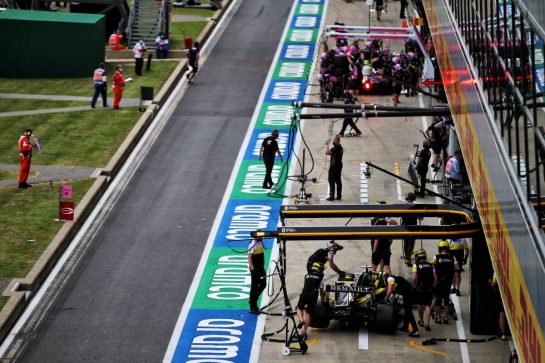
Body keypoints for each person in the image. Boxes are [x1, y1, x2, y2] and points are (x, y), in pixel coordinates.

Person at [431, 240, 458, 324]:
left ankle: (438, 318)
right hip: (448, 282)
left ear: (439, 248)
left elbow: (431, 268)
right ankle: (446, 318)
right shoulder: (452, 257)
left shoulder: (436, 257)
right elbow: (457, 268)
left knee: (438, 300)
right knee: (446, 299)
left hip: (438, 282)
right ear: (448, 248)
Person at [296, 265, 324, 340]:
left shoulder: (306, 275)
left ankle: (301, 319)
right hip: (313, 295)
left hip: (305, 293)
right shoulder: (321, 278)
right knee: (308, 313)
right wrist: (323, 299)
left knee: (299, 308)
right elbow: (321, 290)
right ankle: (304, 332)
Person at [412, 249, 436, 331]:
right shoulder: (431, 265)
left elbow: (414, 278)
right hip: (429, 288)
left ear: (418, 257)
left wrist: (413, 285)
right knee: (428, 305)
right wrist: (434, 286)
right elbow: (435, 277)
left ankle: (421, 321)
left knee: (420, 304)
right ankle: (427, 323)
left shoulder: (416, 265)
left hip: (420, 288)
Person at [248, 235, 266, 314]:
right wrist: (252, 269)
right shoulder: (252, 244)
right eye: (260, 236)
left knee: (263, 284)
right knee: (254, 287)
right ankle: (253, 307)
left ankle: (253, 299)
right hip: (255, 269)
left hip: (261, 268)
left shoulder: (260, 242)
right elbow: (249, 257)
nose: (262, 237)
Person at [489, 272, 508, 340]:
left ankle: (503, 334)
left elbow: (493, 284)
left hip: (502, 296)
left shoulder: (497, 271)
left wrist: (490, 281)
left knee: (502, 315)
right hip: (511, 295)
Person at [401, 192, 418, 265]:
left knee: (406, 243)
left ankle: (406, 256)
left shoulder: (404, 206)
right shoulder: (415, 206)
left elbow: (401, 216)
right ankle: (408, 258)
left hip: (404, 226)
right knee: (411, 244)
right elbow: (420, 216)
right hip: (412, 227)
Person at [326, 135, 343, 201]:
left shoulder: (336, 148)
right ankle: (339, 196)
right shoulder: (340, 147)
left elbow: (327, 152)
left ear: (338, 141)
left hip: (334, 167)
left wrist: (327, 147)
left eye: (334, 140)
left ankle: (331, 196)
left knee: (331, 181)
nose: (333, 141)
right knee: (338, 181)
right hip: (339, 166)